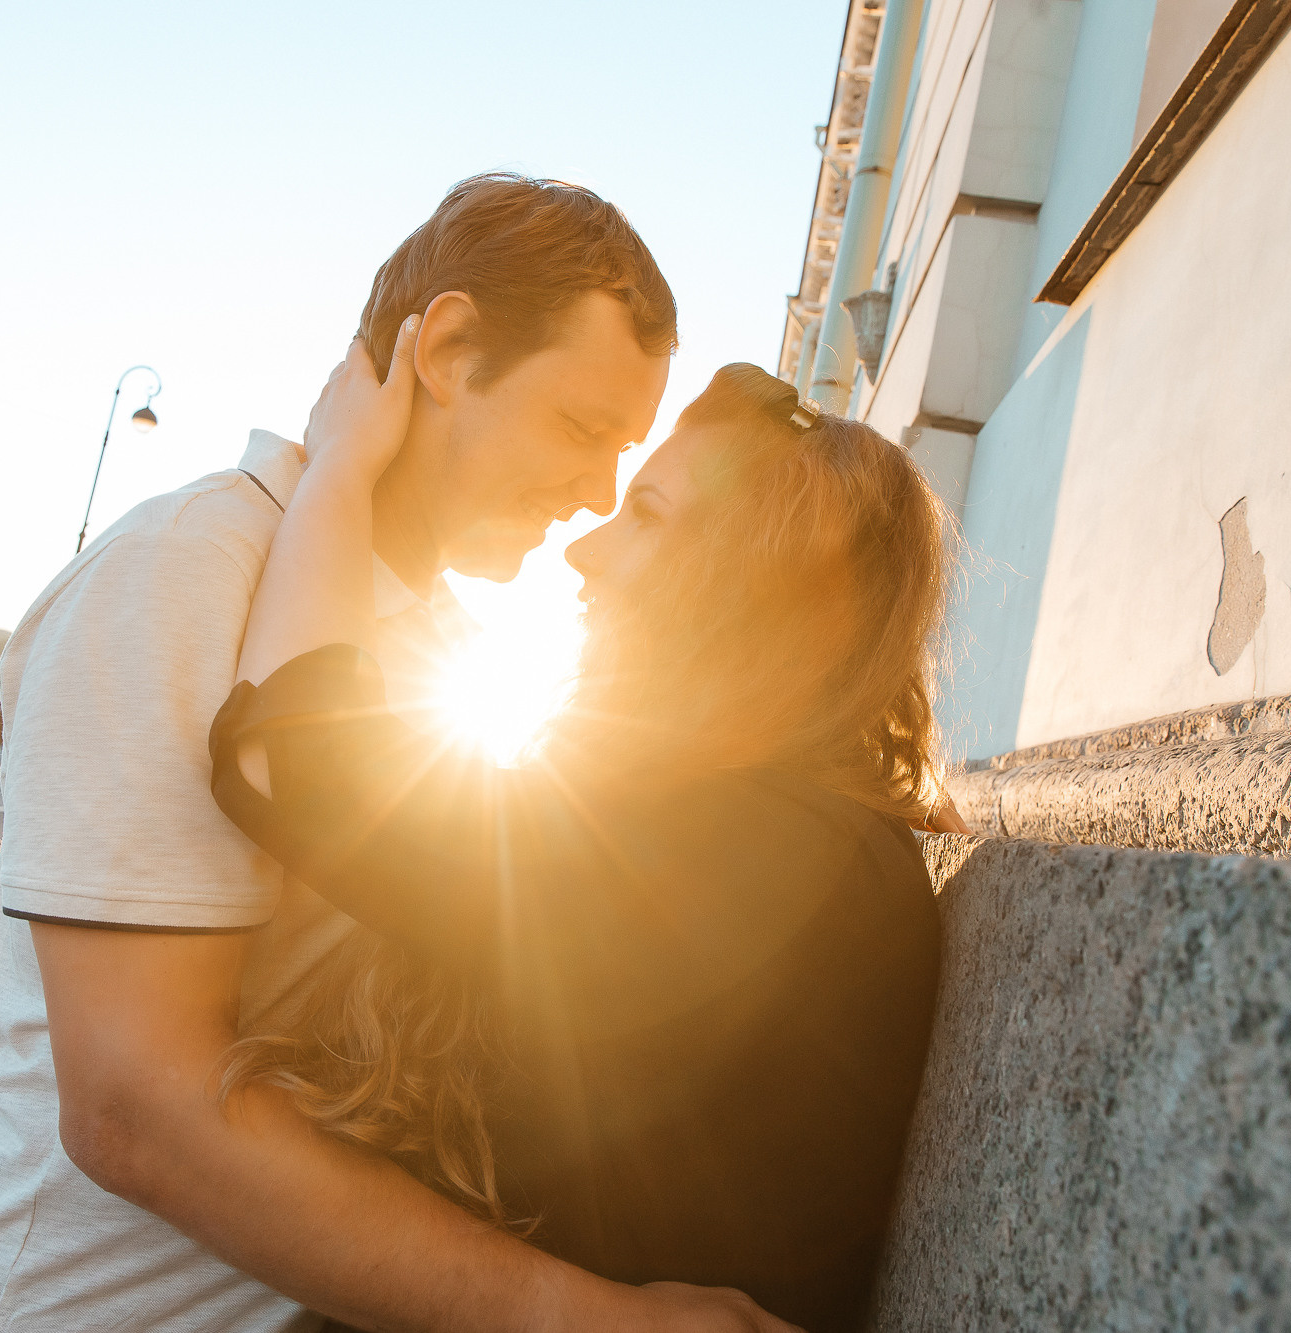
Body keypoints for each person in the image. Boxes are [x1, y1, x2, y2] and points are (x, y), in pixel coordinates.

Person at [0, 175, 796, 1331]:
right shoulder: (184, 572)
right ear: (443, 348)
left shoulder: (438, 640)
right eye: (583, 431)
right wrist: (589, 1317)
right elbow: (137, 1108)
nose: (595, 495)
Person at [210, 341, 957, 1331]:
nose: (583, 549)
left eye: (644, 514)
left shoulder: (772, 850)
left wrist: (338, 469)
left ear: (751, 586)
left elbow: (289, 768)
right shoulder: (783, 829)